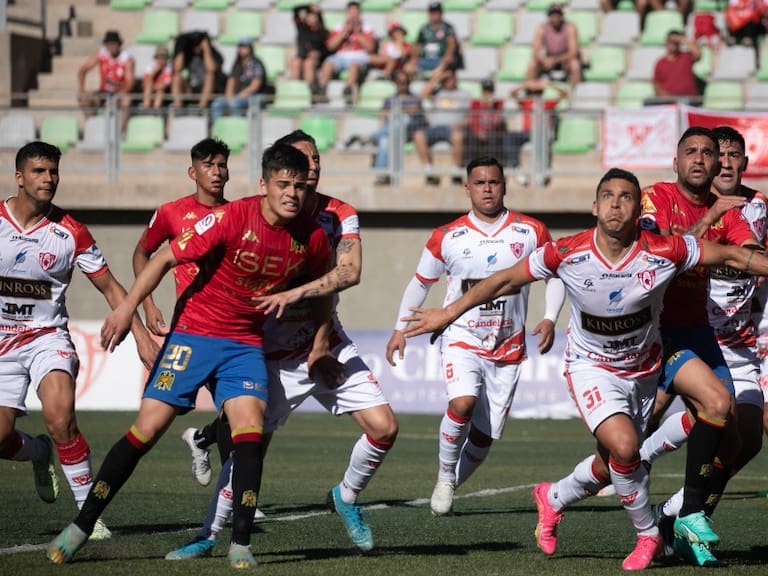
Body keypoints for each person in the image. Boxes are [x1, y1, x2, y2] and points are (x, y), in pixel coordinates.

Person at [398, 166, 768, 570]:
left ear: (636, 209)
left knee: (610, 464)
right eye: (607, 195)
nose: (615, 203)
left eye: (625, 196)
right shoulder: (567, 251)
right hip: (590, 367)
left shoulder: (666, 250)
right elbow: (503, 280)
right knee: (626, 448)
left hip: (643, 369)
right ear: (594, 206)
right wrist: (447, 313)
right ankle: (649, 536)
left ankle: (552, 497)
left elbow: (734, 255)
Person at [45, 144, 333, 569]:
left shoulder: (312, 237)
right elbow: (162, 257)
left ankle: (240, 543)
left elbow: (327, 286)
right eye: (282, 185)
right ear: (264, 186)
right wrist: (128, 308)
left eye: (298, 186)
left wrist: (321, 340)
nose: (291, 193)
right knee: (146, 430)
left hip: (245, 344)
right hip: (193, 336)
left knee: (249, 433)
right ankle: (82, 525)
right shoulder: (232, 217)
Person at [165, 129, 398, 559]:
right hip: (267, 352)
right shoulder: (251, 214)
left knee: (385, 427)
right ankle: (208, 534)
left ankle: (345, 496)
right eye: (302, 159)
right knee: (251, 449)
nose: (312, 166)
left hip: (324, 341)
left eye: (316, 159)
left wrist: (320, 344)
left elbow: (348, 273)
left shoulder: (338, 213)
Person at [386, 157, 565, 516]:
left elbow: (555, 275)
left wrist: (549, 318)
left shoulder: (530, 231)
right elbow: (421, 283)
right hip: (460, 338)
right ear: (467, 188)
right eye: (479, 183)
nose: (487, 188)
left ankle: (451, 481)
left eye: (493, 182)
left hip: (508, 347)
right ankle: (444, 477)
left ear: (504, 186)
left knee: (484, 437)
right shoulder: (448, 236)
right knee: (462, 404)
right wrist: (398, 329)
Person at [0, 141, 157, 541]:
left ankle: (90, 515)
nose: (48, 178)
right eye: (39, 171)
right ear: (19, 177)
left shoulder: (70, 233)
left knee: (59, 415)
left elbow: (110, 287)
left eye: (53, 171)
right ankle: (36, 452)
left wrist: (139, 334)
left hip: (46, 338)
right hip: (2, 344)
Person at [638, 126, 761, 566]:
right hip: (655, 329)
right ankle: (683, 508)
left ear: (739, 163)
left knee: (736, 441)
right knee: (635, 435)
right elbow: (658, 252)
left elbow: (747, 252)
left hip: (718, 335)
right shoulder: (654, 198)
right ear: (677, 160)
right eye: (698, 151)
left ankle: (675, 518)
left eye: (720, 154)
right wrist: (710, 224)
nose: (714, 160)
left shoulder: (741, 209)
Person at [413, 68, 471, 186]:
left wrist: (460, 125)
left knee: (458, 136)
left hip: (453, 128)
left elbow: (470, 117)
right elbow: (422, 96)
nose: (449, 81)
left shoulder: (464, 94)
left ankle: (455, 172)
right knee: (418, 135)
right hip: (435, 128)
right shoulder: (437, 93)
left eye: (451, 78)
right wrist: (437, 78)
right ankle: (428, 170)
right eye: (446, 79)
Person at [372, 70, 428, 186]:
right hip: (392, 132)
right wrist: (400, 110)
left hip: (407, 133)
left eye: (405, 82)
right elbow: (382, 115)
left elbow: (415, 110)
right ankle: (382, 175)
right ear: (396, 83)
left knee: (403, 119)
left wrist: (396, 111)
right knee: (384, 141)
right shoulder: (389, 99)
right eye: (400, 82)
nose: (403, 85)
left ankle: (373, 136)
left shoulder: (415, 98)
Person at [317, 1, 376, 104]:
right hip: (340, 56)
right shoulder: (339, 27)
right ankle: (321, 91)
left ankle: (347, 91)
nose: (353, 15)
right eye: (351, 12)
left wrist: (357, 33)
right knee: (328, 64)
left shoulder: (367, 27)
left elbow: (370, 47)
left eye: (356, 12)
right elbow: (330, 46)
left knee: (354, 66)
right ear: (346, 13)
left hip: (359, 56)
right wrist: (343, 33)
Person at [77, 30, 135, 131]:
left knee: (126, 100)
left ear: (119, 44)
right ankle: (93, 127)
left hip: (120, 91)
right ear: (106, 45)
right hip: (103, 91)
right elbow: (83, 70)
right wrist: (81, 89)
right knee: (84, 98)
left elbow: (129, 84)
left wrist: (115, 88)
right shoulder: (100, 54)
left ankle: (120, 131)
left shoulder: (127, 58)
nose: (112, 46)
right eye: (109, 44)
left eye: (114, 44)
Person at [210, 38, 271, 124]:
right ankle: (218, 129)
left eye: (245, 46)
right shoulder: (237, 64)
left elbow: (255, 86)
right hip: (237, 97)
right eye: (240, 46)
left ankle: (236, 128)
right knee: (217, 104)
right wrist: (229, 97)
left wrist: (239, 97)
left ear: (250, 48)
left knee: (236, 104)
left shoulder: (256, 63)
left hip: (255, 96)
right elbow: (230, 82)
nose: (242, 49)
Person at [405, 2, 461, 87]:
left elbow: (451, 46)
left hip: (440, 60)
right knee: (407, 69)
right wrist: (413, 60)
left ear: (441, 13)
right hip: (425, 59)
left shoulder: (448, 28)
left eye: (437, 12)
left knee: (439, 72)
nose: (435, 15)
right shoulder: (424, 28)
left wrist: (443, 64)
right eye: (432, 12)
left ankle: (427, 90)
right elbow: (418, 45)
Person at [526, 4, 582, 88]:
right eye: (553, 14)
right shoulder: (542, 28)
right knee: (532, 65)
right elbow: (535, 51)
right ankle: (529, 93)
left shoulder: (570, 27)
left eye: (557, 14)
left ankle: (575, 94)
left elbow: (573, 52)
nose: (555, 17)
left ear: (561, 15)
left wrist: (555, 60)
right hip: (548, 60)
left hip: (565, 61)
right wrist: (544, 60)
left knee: (575, 65)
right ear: (548, 16)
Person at [170, 31, 225, 110]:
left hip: (207, 90)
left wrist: (206, 49)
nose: (195, 47)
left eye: (198, 44)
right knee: (176, 77)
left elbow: (211, 69)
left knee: (210, 76)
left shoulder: (214, 54)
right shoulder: (188, 54)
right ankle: (178, 106)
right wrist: (180, 46)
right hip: (190, 89)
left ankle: (201, 107)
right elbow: (176, 69)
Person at [651, 30, 701, 102]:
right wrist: (665, 96)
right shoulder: (660, 63)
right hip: (668, 98)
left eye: (675, 42)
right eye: (670, 41)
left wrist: (681, 39)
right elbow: (656, 84)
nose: (672, 44)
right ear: (666, 42)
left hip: (687, 97)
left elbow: (698, 53)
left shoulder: (686, 57)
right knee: (648, 102)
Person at [291, 3, 330, 94]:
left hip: (316, 60)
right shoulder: (301, 28)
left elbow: (328, 49)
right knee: (296, 62)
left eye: (314, 16)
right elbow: (295, 10)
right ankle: (294, 90)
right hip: (302, 56)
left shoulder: (323, 33)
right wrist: (308, 7)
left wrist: (318, 53)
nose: (311, 19)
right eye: (309, 16)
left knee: (308, 63)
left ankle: (311, 92)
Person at [141, 45, 172, 110]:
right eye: (159, 58)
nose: (161, 60)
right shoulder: (149, 68)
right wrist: (154, 72)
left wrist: (152, 86)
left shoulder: (169, 69)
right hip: (150, 91)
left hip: (163, 93)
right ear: (156, 58)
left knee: (159, 91)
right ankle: (146, 107)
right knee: (148, 86)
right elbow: (145, 83)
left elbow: (164, 86)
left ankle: (156, 110)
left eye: (164, 58)